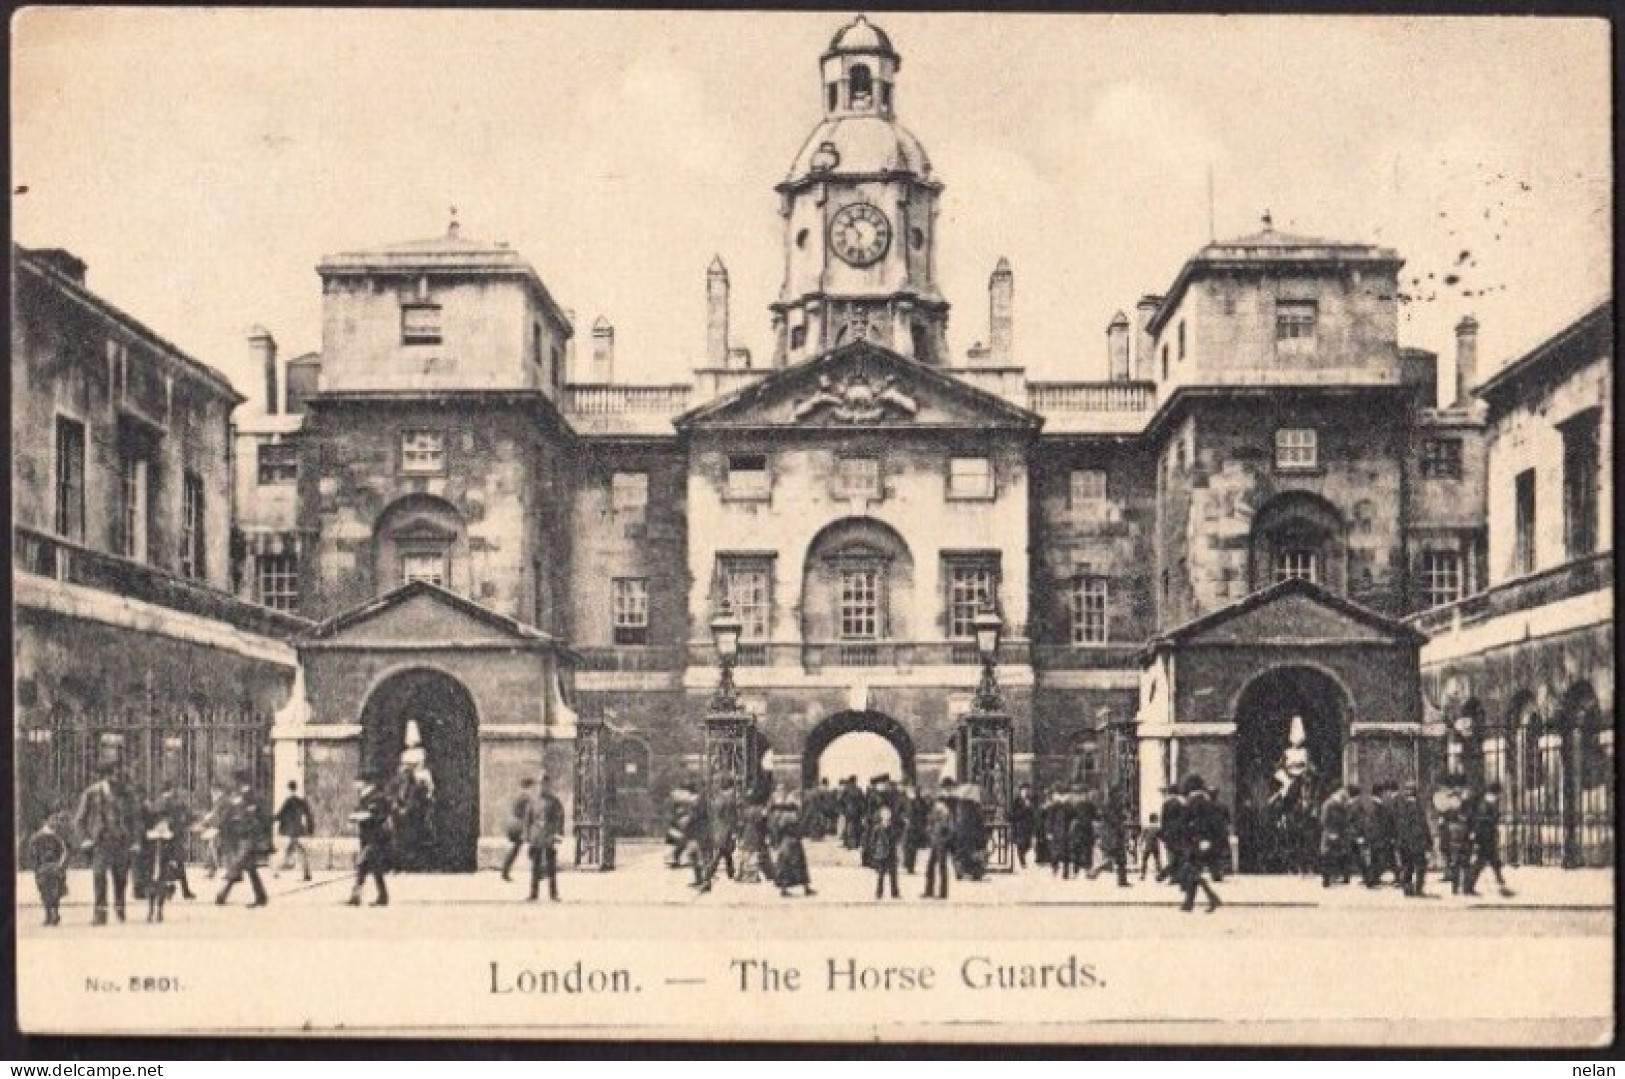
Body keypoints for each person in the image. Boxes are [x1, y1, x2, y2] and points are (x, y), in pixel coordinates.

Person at [75, 762, 139, 925]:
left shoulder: (127, 793)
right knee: (99, 877)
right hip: (100, 842)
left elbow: (135, 819)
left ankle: (119, 908)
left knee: (121, 878)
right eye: (113, 775)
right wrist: (85, 839)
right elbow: (80, 819)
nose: (116, 778)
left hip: (121, 841)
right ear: (105, 776)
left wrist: (135, 840)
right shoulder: (91, 793)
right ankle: (100, 913)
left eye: (118, 775)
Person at [215, 769, 270, 908]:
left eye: (235, 781)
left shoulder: (250, 797)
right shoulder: (243, 796)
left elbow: (259, 817)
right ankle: (261, 896)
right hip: (245, 837)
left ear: (239, 782)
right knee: (250, 868)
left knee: (237, 864)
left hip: (248, 837)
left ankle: (222, 895)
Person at [1178, 778, 1224, 913]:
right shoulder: (1207, 801)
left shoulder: (1193, 801)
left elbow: (1185, 821)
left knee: (1191, 871)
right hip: (1205, 841)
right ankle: (1189, 903)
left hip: (1195, 841)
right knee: (1193, 871)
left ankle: (1211, 898)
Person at [347, 774, 393, 907]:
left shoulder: (377, 797)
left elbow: (375, 815)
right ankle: (381, 896)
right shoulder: (366, 796)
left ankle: (356, 896)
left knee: (362, 864)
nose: (355, 784)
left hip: (376, 837)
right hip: (368, 837)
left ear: (366, 782)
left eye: (358, 781)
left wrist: (356, 817)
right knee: (374, 867)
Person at [1464, 782, 1514, 898]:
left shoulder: (1486, 803)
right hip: (1486, 839)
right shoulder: (1487, 804)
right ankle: (1469, 887)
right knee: (1483, 864)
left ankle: (1500, 886)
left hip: (1487, 838)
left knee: (1492, 863)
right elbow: (1484, 822)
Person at [27, 812, 72, 927]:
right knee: (44, 892)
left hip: (56, 868)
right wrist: (36, 868)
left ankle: (55, 913)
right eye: (53, 819)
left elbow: (65, 852)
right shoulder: (37, 837)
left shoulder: (59, 836)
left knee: (55, 891)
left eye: (57, 819)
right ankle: (48, 914)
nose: (56, 822)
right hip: (42, 869)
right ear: (45, 821)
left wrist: (61, 866)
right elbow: (32, 854)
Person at [526, 774, 565, 902]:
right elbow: (528, 819)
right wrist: (527, 835)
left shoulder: (554, 801)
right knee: (535, 866)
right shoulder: (533, 801)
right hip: (536, 836)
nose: (542, 786)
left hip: (549, 836)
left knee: (551, 866)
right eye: (540, 784)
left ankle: (553, 893)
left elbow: (560, 818)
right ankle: (533, 893)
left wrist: (558, 833)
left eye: (545, 784)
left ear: (549, 785)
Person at [770, 795, 814, 898]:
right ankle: (805, 888)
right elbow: (800, 829)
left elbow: (777, 831)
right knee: (798, 866)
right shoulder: (793, 817)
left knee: (785, 866)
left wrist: (777, 842)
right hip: (793, 842)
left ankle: (785, 889)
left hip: (786, 843)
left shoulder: (781, 817)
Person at [1395, 782, 1433, 897]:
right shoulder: (1417, 806)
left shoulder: (1399, 806)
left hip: (1403, 841)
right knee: (1420, 866)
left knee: (1407, 865)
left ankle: (1407, 888)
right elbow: (1422, 825)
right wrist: (1428, 842)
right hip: (1416, 841)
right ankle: (1418, 889)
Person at [274, 781, 315, 882]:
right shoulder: (302, 801)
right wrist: (310, 829)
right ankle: (305, 873)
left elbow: (280, 814)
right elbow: (309, 815)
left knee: (296, 850)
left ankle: (278, 870)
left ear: (288, 789)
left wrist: (270, 820)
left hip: (291, 830)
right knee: (293, 850)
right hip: (298, 829)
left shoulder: (289, 800)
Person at [1088, 790, 1131, 887]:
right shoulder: (1112, 808)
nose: (1123, 799)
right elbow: (1115, 823)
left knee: (1119, 859)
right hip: (1113, 837)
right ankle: (1095, 871)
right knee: (1114, 858)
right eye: (1121, 796)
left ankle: (1121, 881)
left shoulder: (1110, 807)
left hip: (1111, 836)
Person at [922, 780, 956, 900]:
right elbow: (931, 821)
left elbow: (950, 824)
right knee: (932, 865)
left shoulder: (946, 806)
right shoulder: (938, 804)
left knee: (940, 865)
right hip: (936, 839)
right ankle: (930, 890)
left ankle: (942, 892)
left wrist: (946, 837)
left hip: (942, 839)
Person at [1318, 785, 1353, 887]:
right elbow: (1324, 820)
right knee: (1327, 856)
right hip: (1330, 834)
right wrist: (1330, 832)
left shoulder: (1343, 805)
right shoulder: (1328, 805)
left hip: (1341, 833)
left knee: (1342, 854)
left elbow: (1347, 818)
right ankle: (1327, 878)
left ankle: (1343, 876)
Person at [502, 777, 536, 881]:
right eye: (533, 786)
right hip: (520, 825)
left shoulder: (519, 795)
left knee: (516, 847)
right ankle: (539, 871)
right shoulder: (527, 797)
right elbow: (527, 815)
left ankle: (505, 871)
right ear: (530, 786)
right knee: (535, 845)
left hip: (513, 823)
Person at [867, 800, 902, 900]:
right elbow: (872, 841)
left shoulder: (893, 827)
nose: (887, 816)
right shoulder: (877, 828)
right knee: (881, 875)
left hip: (891, 853)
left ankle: (895, 893)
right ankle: (879, 893)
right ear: (881, 816)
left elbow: (896, 839)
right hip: (881, 853)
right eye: (885, 814)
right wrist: (873, 853)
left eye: (888, 814)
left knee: (893, 874)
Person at [1044, 790, 1073, 879]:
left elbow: (1073, 816)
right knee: (1055, 853)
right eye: (1060, 796)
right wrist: (1049, 831)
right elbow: (1049, 819)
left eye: (1064, 796)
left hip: (1067, 832)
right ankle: (1055, 867)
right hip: (1056, 832)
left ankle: (1065, 872)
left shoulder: (1069, 807)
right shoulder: (1054, 807)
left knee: (1066, 853)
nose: (1062, 798)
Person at [901, 783, 928, 875]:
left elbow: (924, 813)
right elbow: (903, 812)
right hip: (911, 826)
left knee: (912, 847)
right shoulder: (910, 801)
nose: (918, 793)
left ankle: (910, 865)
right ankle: (908, 865)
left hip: (916, 827)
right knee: (909, 847)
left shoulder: (920, 802)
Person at [1009, 783, 1037, 869]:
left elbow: (1034, 814)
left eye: (1027, 790)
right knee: (1020, 844)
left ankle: (1022, 857)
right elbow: (1012, 814)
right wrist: (1025, 809)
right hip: (1019, 826)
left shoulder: (1031, 800)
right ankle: (1022, 861)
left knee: (1028, 844)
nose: (1026, 792)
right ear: (1021, 791)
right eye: (1024, 790)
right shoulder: (1016, 801)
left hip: (1028, 826)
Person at [1139, 812, 1164, 881]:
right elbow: (1161, 837)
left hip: (1147, 846)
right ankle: (1159, 874)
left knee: (1144, 860)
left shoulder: (1146, 827)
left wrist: (1140, 844)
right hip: (1155, 846)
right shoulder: (1157, 828)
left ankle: (1143, 874)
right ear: (1155, 819)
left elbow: (1142, 836)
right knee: (1157, 860)